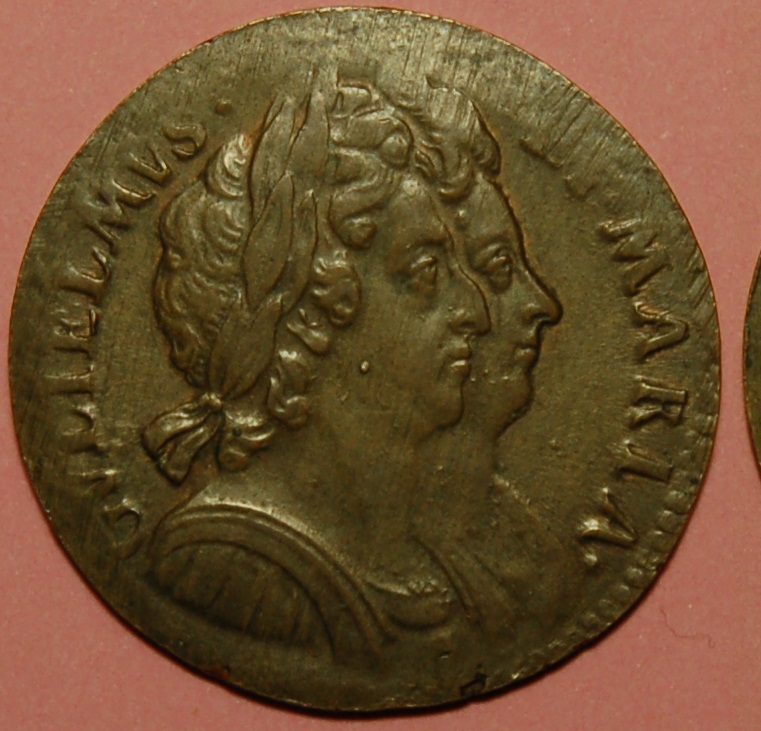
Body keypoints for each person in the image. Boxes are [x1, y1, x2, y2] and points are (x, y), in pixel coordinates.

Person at [142, 74, 569, 664]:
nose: (476, 312)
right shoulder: (234, 572)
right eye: (425, 274)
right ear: (306, 321)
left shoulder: (431, 553)